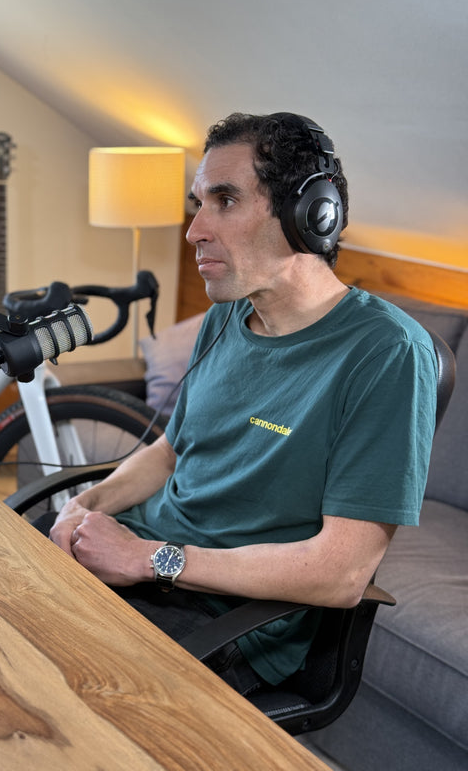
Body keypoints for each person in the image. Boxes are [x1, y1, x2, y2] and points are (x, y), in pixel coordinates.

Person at [45, 112, 438, 697]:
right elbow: (169, 452)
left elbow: (342, 574)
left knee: (45, 682)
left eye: (224, 200)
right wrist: (84, 506)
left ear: (309, 214)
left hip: (222, 616)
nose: (194, 230)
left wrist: (150, 558)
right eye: (198, 203)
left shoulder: (387, 353)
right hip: (140, 554)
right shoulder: (227, 314)